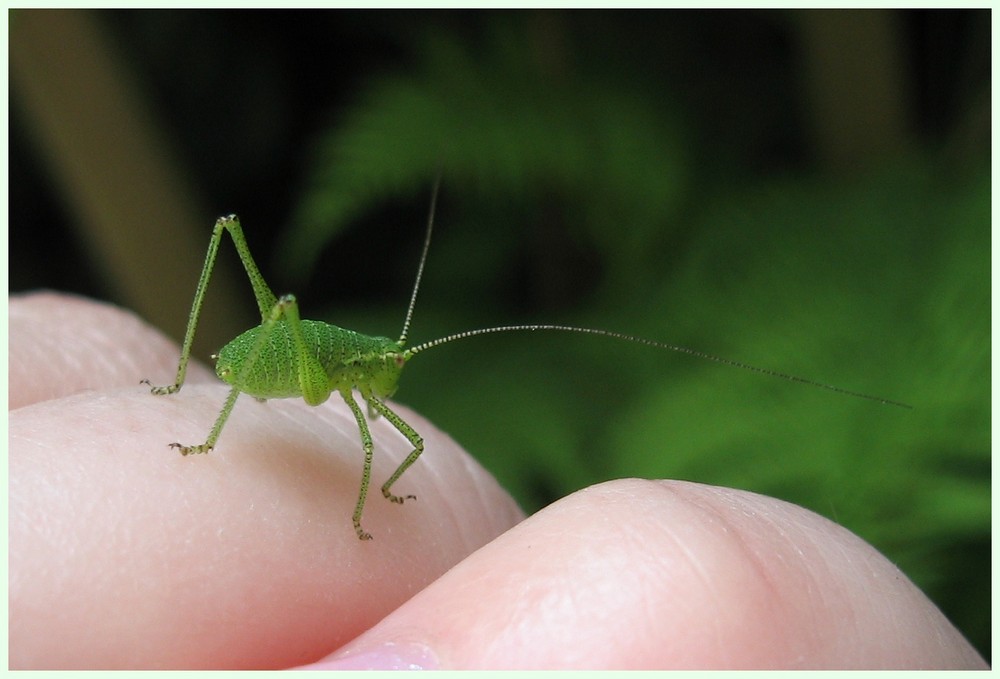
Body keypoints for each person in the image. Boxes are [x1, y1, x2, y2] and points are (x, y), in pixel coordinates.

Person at [9, 292, 987, 670]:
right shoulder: (336, 377)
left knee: (398, 460)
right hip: (272, 363)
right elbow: (349, 408)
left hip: (295, 373)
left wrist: (370, 498)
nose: (391, 379)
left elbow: (386, 447)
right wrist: (205, 417)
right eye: (387, 369)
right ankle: (190, 398)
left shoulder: (375, 397)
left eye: (391, 368)